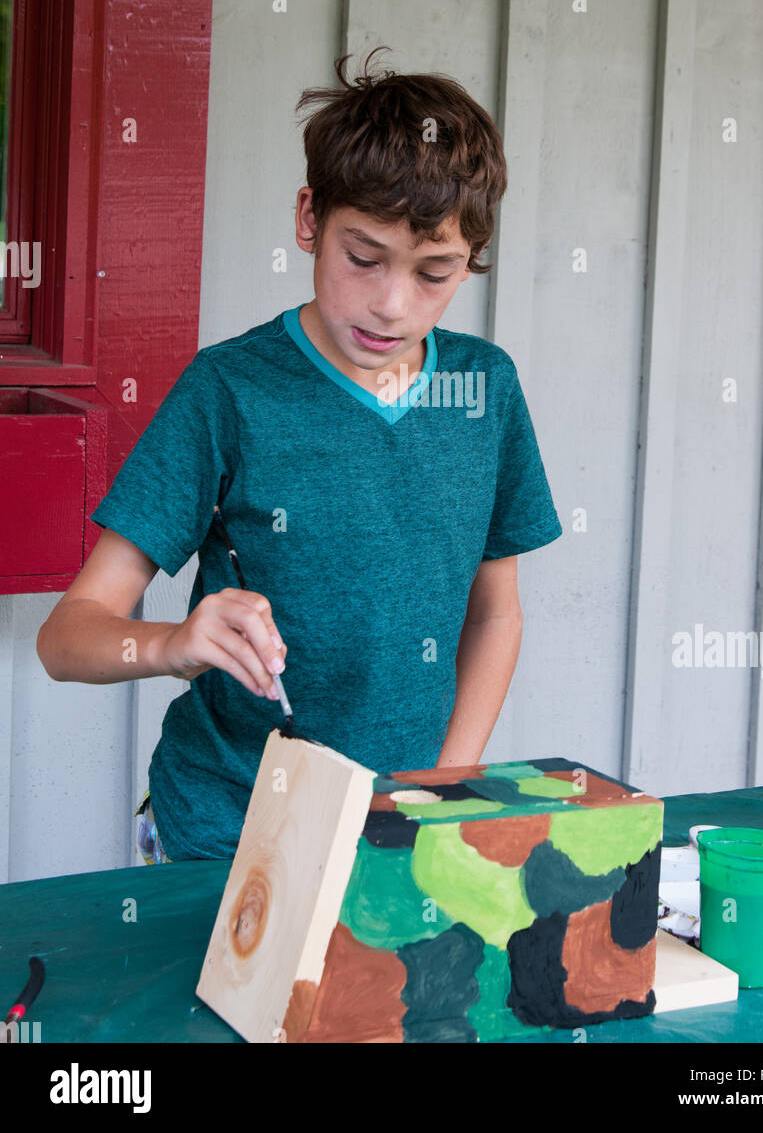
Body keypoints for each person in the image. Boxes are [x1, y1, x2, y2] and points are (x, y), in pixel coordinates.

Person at [36, 48, 563, 864]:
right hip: (227, 834)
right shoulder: (228, 391)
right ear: (308, 218)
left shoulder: (486, 389)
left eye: (435, 273)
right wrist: (175, 643)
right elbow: (67, 638)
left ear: (472, 258)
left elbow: (495, 612)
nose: (391, 304)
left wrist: (442, 788)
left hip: (403, 829)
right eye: (363, 257)